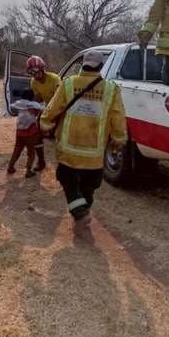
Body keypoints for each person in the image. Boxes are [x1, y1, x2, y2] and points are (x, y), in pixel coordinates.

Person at [40, 50, 127, 228]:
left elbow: (52, 109)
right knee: (90, 183)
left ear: (82, 65)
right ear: (101, 67)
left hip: (68, 148)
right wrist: (118, 140)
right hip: (94, 151)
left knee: (66, 177)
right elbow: (118, 117)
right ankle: (83, 210)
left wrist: (45, 124)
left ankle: (80, 212)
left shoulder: (69, 83)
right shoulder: (111, 89)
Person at [26, 55, 61, 170]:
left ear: (42, 68)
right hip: (47, 110)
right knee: (36, 135)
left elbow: (61, 99)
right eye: (31, 72)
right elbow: (39, 98)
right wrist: (31, 107)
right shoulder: (34, 82)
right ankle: (41, 162)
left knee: (61, 138)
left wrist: (53, 116)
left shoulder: (55, 79)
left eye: (36, 71)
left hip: (60, 111)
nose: (34, 75)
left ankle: (64, 166)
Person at [7, 89, 45, 178]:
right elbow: (43, 108)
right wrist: (41, 102)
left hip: (19, 131)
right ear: (32, 97)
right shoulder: (33, 104)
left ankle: (10, 167)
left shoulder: (19, 103)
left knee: (17, 150)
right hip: (31, 131)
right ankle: (28, 171)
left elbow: (11, 106)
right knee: (31, 152)